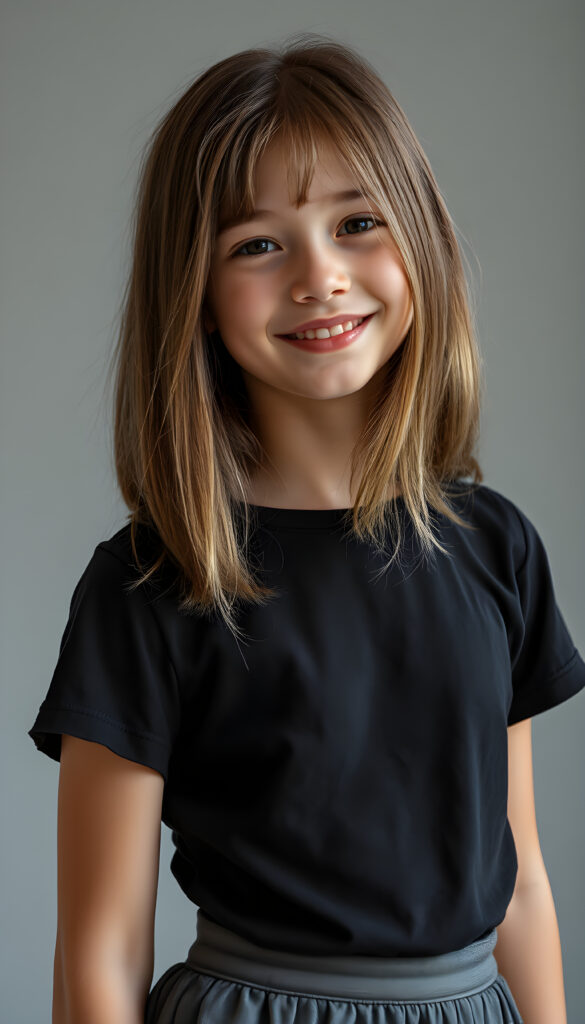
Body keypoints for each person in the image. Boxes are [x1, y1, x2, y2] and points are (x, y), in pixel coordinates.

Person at [28, 33, 585, 1024]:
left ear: (422, 242)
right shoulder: (149, 583)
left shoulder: (498, 549)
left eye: (357, 223)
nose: (319, 276)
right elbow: (99, 947)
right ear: (196, 295)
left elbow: (524, 883)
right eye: (257, 244)